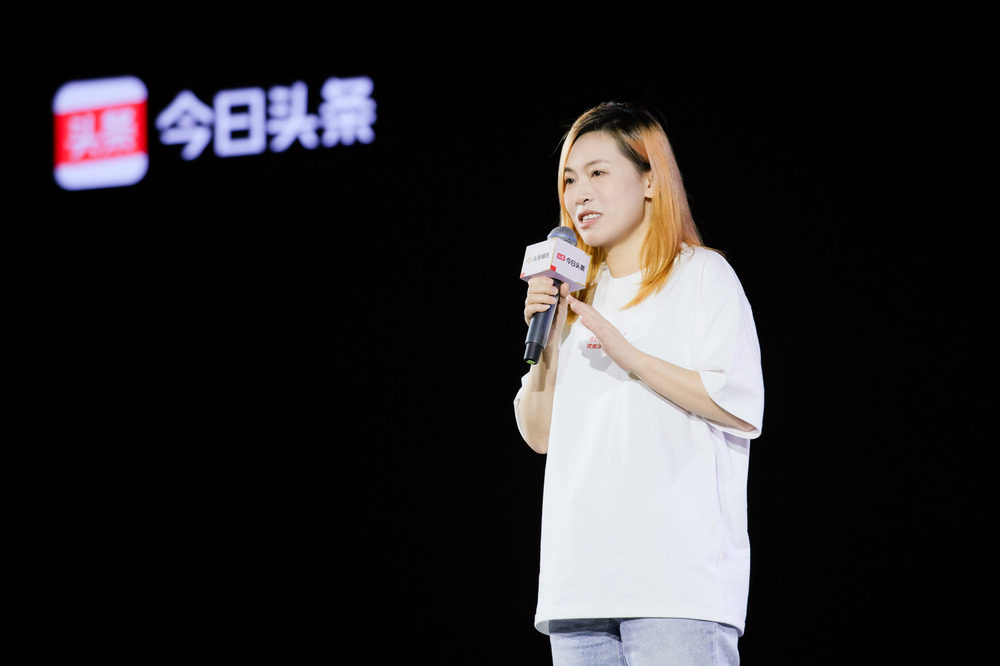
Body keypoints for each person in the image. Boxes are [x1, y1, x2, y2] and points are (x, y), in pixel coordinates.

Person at [513, 101, 764, 665]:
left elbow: (740, 405)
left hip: (674, 587)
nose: (580, 194)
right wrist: (548, 341)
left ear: (650, 180)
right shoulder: (573, 295)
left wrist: (630, 356)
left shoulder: (702, 276)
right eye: (570, 180)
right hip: (578, 587)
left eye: (598, 173)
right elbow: (539, 435)